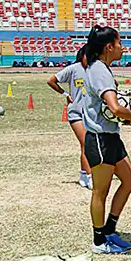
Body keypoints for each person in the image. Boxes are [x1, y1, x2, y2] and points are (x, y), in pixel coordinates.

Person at [81, 25, 131, 254]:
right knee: (100, 191)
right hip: (99, 139)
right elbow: (114, 107)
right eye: (119, 43)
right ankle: (98, 241)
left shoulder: (101, 68)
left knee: (130, 180)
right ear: (108, 47)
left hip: (111, 137)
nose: (123, 48)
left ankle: (109, 230)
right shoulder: (99, 71)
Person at [47, 46, 92, 189]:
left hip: (91, 114)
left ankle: (83, 175)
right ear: (82, 55)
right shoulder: (73, 69)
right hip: (76, 113)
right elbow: (51, 81)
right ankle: (90, 177)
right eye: (88, 55)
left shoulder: (95, 70)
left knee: (87, 145)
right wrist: (65, 94)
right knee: (86, 143)